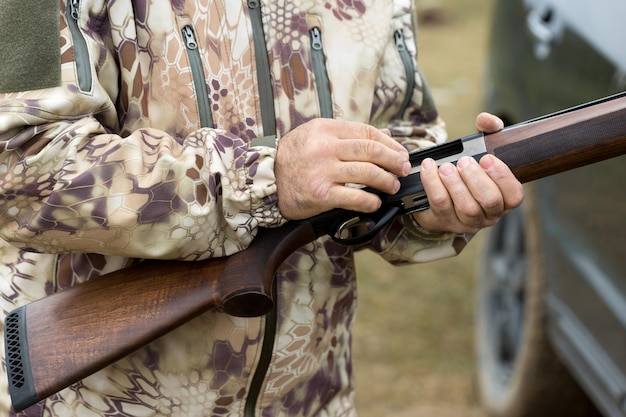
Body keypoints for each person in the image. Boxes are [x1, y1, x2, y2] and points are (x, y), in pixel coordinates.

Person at [0, 1, 523, 416]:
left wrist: (429, 208)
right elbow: (21, 165)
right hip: (96, 400)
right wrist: (268, 181)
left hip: (311, 398)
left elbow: (400, 140)